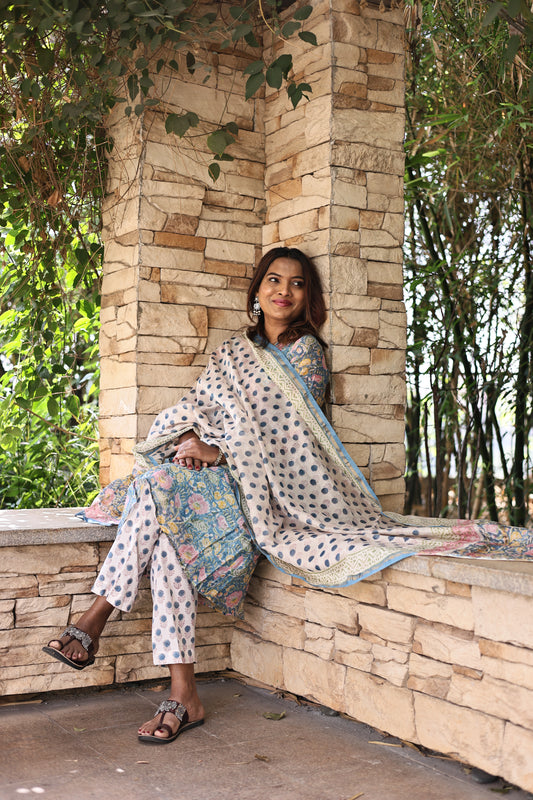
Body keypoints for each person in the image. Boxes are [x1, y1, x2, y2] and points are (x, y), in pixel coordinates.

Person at [43, 246, 533, 744]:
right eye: (274, 280)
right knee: (166, 531)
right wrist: (192, 439)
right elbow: (198, 405)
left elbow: (286, 437)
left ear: (307, 297)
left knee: (154, 491)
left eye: (297, 284)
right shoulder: (232, 351)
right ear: (257, 290)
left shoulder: (306, 355)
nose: (284, 291)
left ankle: (96, 619)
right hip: (210, 485)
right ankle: (182, 693)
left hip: (266, 495)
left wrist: (219, 450)